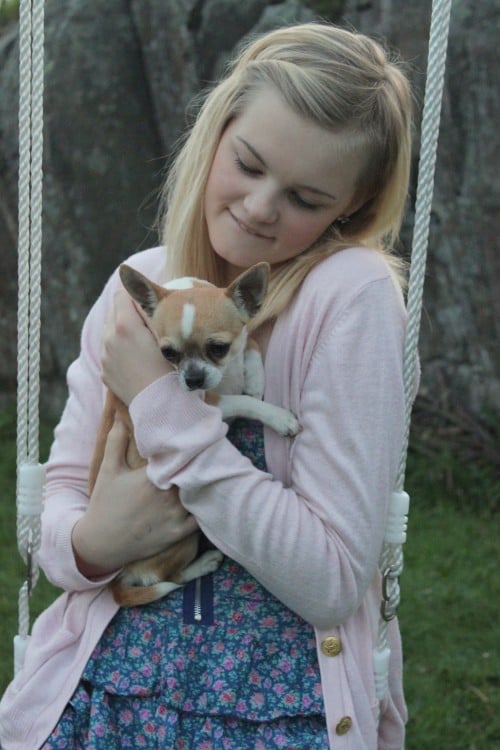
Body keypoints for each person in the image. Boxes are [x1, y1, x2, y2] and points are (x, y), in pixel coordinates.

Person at [0, 21, 415, 750]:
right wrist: (99, 540)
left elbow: (330, 580)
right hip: (105, 692)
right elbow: (52, 525)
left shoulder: (348, 296)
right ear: (216, 130)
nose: (260, 207)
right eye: (249, 163)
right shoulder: (140, 285)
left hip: (268, 709)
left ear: (348, 209)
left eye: (306, 199)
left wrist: (161, 402)